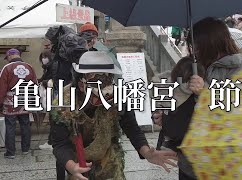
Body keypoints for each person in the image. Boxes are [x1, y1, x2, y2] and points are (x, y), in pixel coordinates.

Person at [51, 51, 177, 180]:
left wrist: (146, 152)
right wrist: (72, 167)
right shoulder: (63, 103)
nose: (105, 90)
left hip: (108, 159)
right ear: (82, 85)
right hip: (76, 161)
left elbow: (132, 128)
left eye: (108, 79)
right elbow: (59, 143)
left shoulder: (117, 97)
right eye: (97, 81)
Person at [153, 17, 242, 179]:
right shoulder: (191, 66)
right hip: (189, 159)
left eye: (197, 46)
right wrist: (164, 116)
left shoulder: (239, 71)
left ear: (212, 43)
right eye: (192, 45)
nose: (193, 50)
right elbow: (172, 93)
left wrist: (205, 92)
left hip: (222, 161)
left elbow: (238, 111)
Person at [153, 57, 205, 180]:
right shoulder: (199, 97)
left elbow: (172, 129)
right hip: (190, 157)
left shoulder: (168, 89)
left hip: (187, 155)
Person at [0, 48, 37, 159]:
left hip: (11, 101)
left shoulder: (6, 68)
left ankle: (11, 152)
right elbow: (35, 84)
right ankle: (25, 149)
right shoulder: (30, 67)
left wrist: (0, 102)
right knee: (25, 124)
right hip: (25, 99)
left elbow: (2, 87)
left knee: (10, 126)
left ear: (10, 56)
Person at [37, 50, 58, 150]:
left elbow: (54, 80)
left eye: (45, 56)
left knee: (53, 118)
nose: (43, 59)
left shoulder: (53, 66)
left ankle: (52, 142)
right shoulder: (47, 67)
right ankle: (51, 141)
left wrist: (44, 82)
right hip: (52, 93)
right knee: (52, 118)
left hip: (54, 94)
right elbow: (44, 78)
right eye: (42, 57)